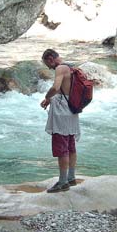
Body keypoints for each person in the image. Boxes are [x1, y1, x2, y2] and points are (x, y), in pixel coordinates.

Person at [40, 48, 80, 193]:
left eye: (48, 64)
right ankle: (71, 177)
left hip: (62, 112)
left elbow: (56, 87)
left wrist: (47, 97)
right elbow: (65, 90)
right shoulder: (72, 67)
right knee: (70, 145)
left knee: (61, 146)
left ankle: (62, 182)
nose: (49, 68)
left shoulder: (60, 68)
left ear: (51, 59)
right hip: (72, 109)